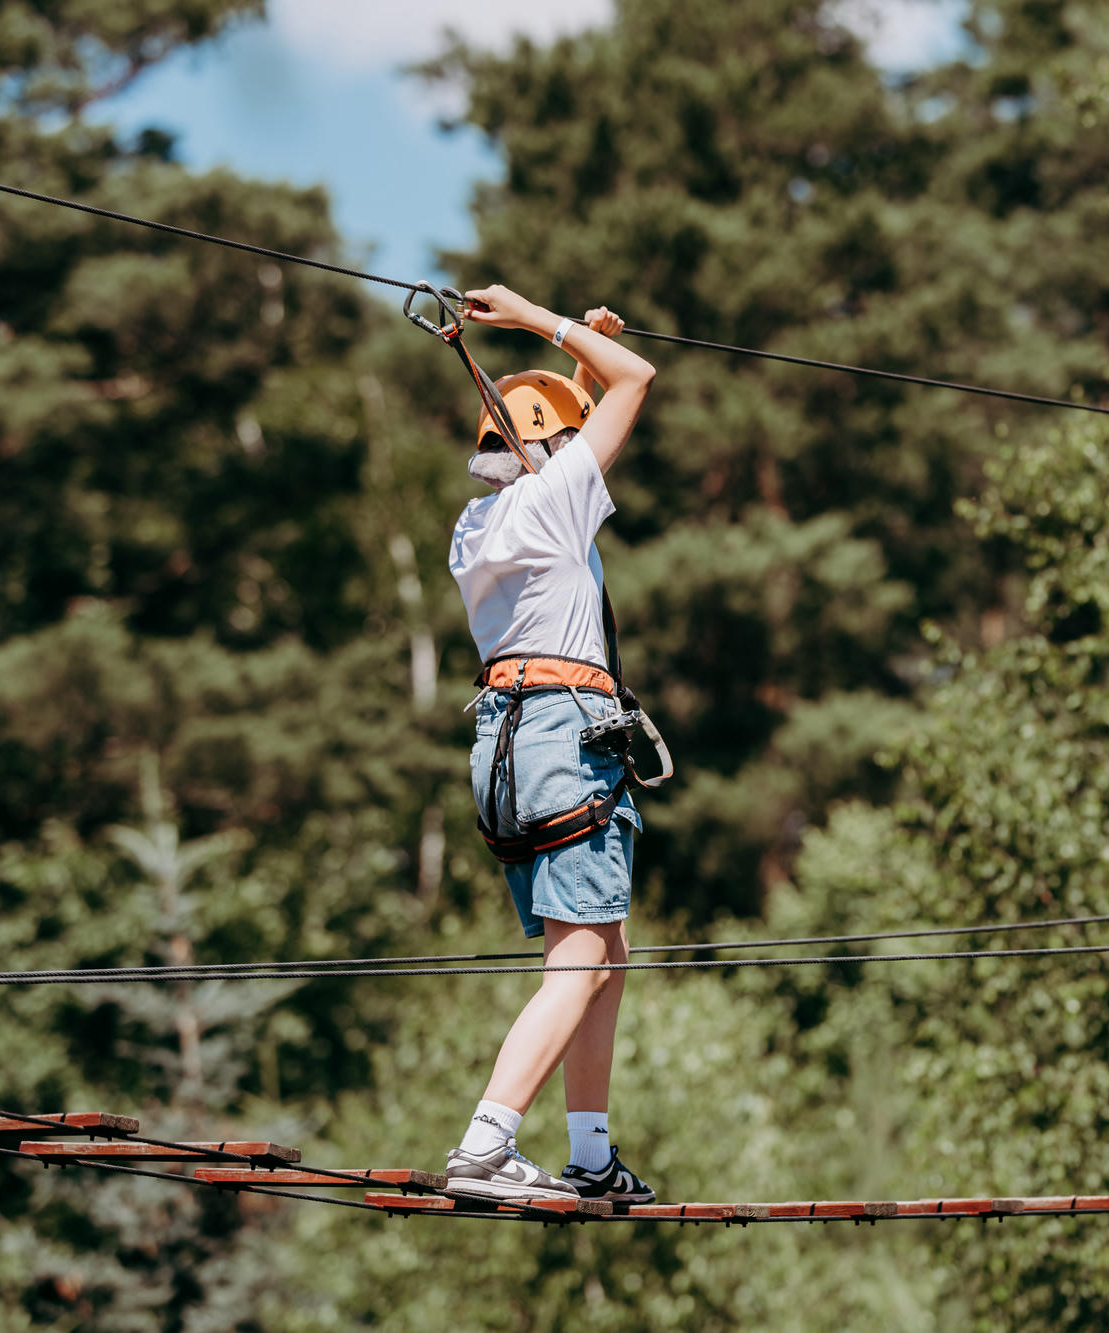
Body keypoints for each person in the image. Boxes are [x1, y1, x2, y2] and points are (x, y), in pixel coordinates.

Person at [440, 285, 659, 1206]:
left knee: (597, 954)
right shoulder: (559, 497)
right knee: (582, 962)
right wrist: (536, 317)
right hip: (567, 736)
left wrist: (567, 369)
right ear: (554, 451)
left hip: (506, 746)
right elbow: (637, 379)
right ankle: (487, 1143)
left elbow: (555, 444)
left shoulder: (475, 527)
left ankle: (591, 1153)